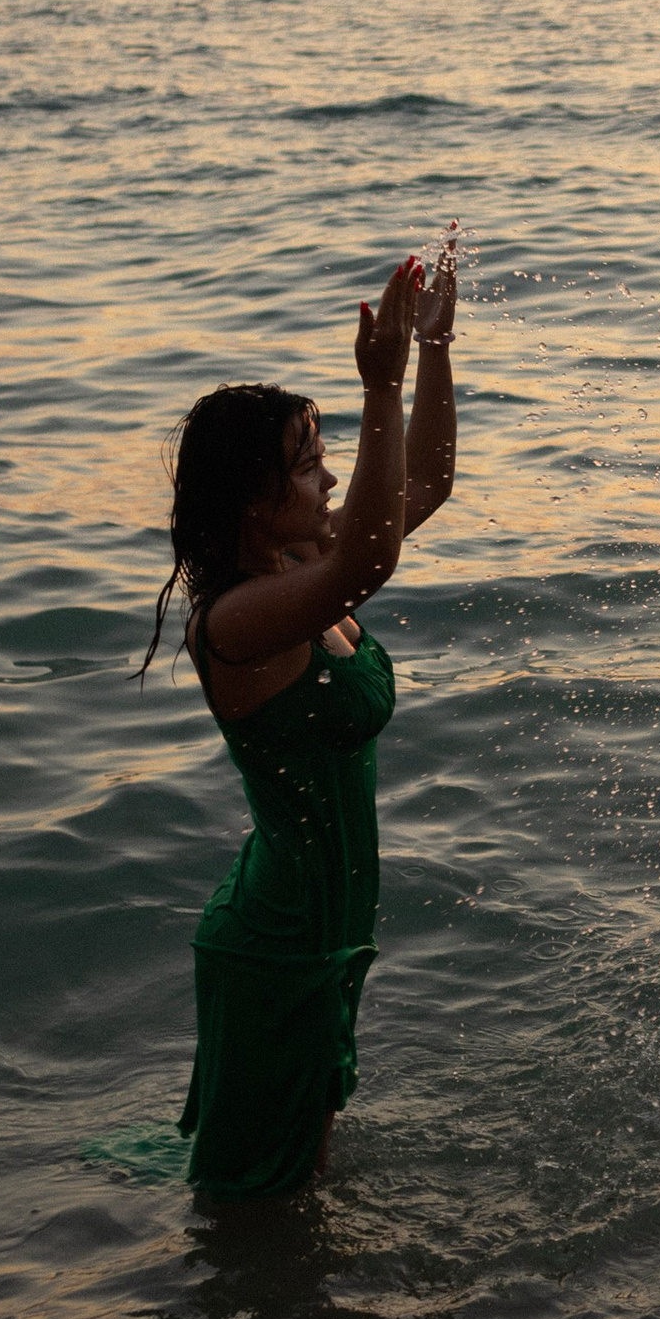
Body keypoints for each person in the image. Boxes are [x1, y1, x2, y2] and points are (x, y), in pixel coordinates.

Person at [139, 242, 459, 1196]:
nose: (331, 482)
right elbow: (372, 559)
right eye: (311, 466)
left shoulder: (303, 573)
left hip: (324, 934)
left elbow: (427, 484)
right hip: (275, 944)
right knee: (251, 1202)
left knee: (295, 1201)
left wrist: (434, 349)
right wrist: (381, 385)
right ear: (254, 503)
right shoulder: (238, 622)